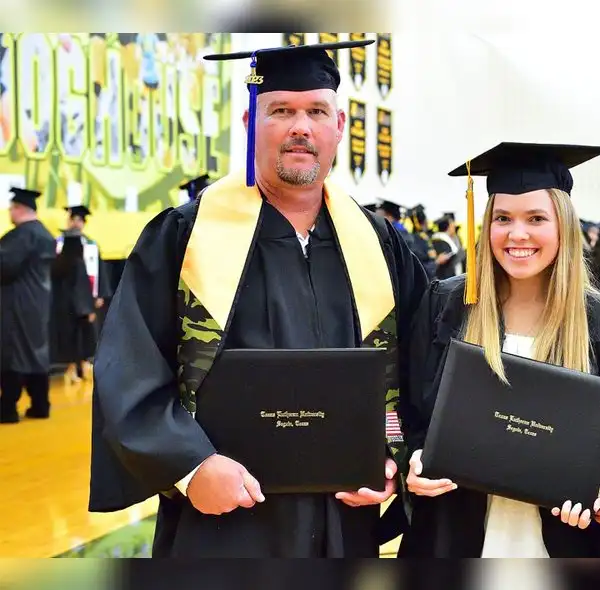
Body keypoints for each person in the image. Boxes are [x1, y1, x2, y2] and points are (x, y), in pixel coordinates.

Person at [87, 40, 429, 557]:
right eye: (282, 111)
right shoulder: (185, 235)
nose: (301, 127)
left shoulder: (381, 244)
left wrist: (392, 457)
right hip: (223, 524)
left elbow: (418, 370)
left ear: (338, 127)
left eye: (316, 111)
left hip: (345, 520)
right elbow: (128, 366)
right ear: (250, 120)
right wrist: (190, 467)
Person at [398, 142, 600, 557]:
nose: (518, 234)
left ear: (563, 226)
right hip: (453, 531)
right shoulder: (447, 304)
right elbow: (408, 407)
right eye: (503, 218)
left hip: (559, 541)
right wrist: (413, 461)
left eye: (536, 218)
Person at [0, 187, 56, 423]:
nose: (9, 213)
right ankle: (40, 404)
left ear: (20, 209)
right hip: (39, 303)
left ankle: (7, 408)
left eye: (12, 208)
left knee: (13, 352)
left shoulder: (21, 236)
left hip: (17, 303)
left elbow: (5, 266)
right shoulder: (45, 234)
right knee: (36, 352)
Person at [52, 205, 110, 382]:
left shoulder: (91, 245)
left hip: (87, 296)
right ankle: (71, 366)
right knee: (69, 331)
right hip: (66, 297)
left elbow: (100, 270)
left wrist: (99, 293)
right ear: (68, 221)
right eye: (74, 219)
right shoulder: (59, 243)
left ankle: (85, 363)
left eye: (80, 220)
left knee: (87, 332)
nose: (76, 223)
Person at [50, 231, 97, 384]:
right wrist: (87, 309)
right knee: (79, 340)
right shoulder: (77, 263)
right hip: (77, 310)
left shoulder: (58, 263)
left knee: (68, 341)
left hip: (62, 309)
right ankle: (77, 371)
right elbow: (81, 289)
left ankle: (71, 370)